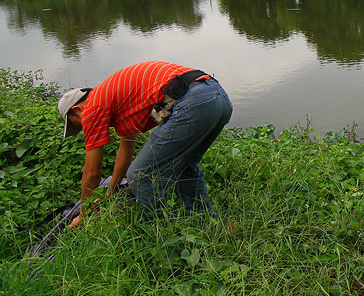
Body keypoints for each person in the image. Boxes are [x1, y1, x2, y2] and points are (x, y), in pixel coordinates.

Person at [57, 61, 233, 226]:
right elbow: (126, 150)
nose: (82, 127)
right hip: (217, 96)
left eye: (76, 123)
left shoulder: (92, 107)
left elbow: (93, 172)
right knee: (184, 165)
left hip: (194, 100)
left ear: (77, 109)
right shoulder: (114, 99)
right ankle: (207, 224)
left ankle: (163, 236)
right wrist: (108, 195)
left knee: (141, 175)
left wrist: (84, 215)